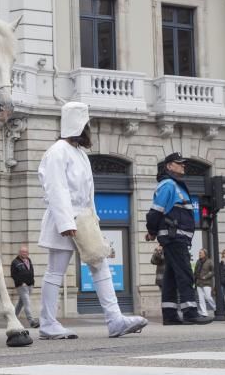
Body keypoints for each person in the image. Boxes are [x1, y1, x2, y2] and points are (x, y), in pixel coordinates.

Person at [40, 102, 149, 338]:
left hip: (83, 218)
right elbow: (55, 188)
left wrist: (93, 218)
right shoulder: (58, 151)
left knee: (98, 264)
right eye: (87, 124)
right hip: (67, 218)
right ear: (78, 124)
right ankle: (49, 323)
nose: (90, 129)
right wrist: (66, 222)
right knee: (56, 272)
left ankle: (114, 319)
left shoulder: (78, 153)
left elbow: (88, 192)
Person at [145, 151, 209, 326]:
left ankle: (170, 314)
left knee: (171, 277)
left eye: (183, 163)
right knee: (185, 274)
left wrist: (153, 231)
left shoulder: (176, 185)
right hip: (174, 238)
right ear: (169, 166)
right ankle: (190, 312)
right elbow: (155, 212)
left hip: (177, 238)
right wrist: (151, 230)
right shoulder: (168, 185)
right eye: (179, 163)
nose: (183, 166)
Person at [10, 245, 38, 328]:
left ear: (28, 253)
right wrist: (21, 283)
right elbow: (13, 275)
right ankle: (31, 321)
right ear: (19, 253)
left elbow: (31, 271)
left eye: (26, 252)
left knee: (20, 303)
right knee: (27, 303)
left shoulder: (29, 260)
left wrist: (32, 282)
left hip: (30, 285)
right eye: (22, 252)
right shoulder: (15, 262)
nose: (24, 253)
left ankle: (12, 318)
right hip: (21, 286)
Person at [193, 249, 216, 317]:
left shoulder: (209, 261)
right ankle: (204, 313)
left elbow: (213, 271)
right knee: (201, 299)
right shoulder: (198, 261)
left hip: (207, 283)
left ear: (205, 254)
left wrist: (206, 276)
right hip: (199, 282)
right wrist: (194, 279)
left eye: (201, 253)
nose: (199, 254)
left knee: (208, 297)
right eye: (199, 253)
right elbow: (195, 272)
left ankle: (215, 308)